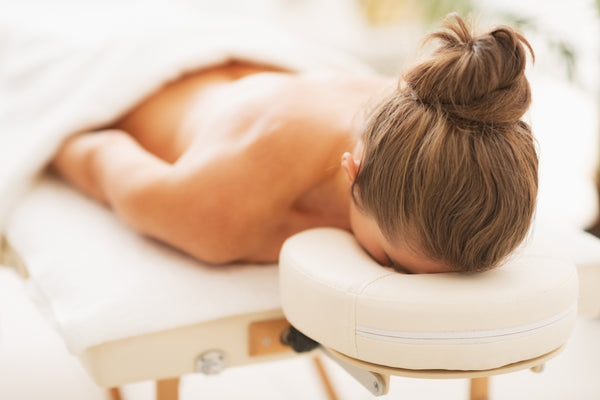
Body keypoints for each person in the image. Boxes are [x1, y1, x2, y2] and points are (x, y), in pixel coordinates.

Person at [51, 14, 538, 274]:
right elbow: (87, 149)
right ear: (353, 170)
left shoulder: (434, 110)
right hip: (128, 65)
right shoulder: (215, 215)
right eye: (394, 265)